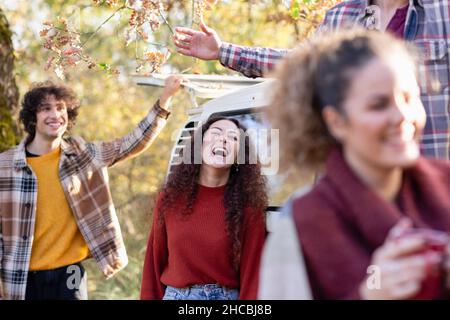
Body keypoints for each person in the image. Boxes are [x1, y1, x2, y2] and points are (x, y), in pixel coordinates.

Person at [263, 29, 450, 300]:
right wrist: (372, 293)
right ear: (336, 122)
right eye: (378, 105)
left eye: (409, 98)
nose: (402, 116)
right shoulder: (302, 223)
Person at [173, 0, 450, 159]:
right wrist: (223, 51)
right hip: (359, 182)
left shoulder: (443, 13)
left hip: (430, 175)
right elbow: (299, 67)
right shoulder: (342, 17)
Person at [0, 75, 183, 300]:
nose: (56, 115)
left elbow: (131, 143)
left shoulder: (82, 154)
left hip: (70, 273)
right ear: (32, 117)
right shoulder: (6, 166)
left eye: (61, 108)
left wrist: (165, 99)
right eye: (46, 109)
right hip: (22, 278)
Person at [140, 116, 267, 300]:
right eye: (216, 133)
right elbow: (153, 263)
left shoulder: (248, 206)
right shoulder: (170, 198)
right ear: (199, 145)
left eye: (233, 137)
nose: (223, 139)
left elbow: (253, 275)